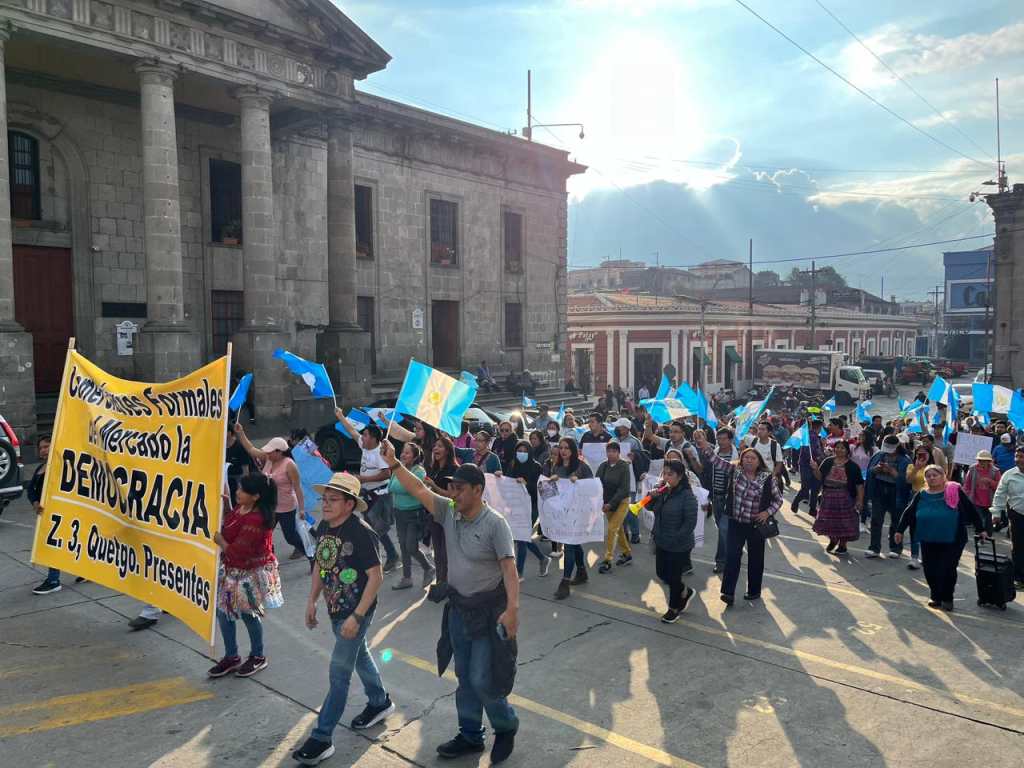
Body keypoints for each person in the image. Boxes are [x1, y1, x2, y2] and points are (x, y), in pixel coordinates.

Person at [380, 441, 520, 764]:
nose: (453, 493)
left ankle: (506, 725)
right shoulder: (448, 512)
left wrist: (512, 610)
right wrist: (394, 464)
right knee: (465, 676)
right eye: (452, 487)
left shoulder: (495, 524)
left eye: (459, 488)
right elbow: (417, 489)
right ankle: (470, 735)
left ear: (478, 490)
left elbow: (509, 570)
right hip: (458, 611)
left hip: (489, 614)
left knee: (484, 678)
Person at [292, 473, 395, 765]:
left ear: (350, 504)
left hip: (357, 610)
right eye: (324, 499)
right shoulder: (326, 525)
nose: (325, 504)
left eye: (333, 499)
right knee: (359, 656)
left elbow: (376, 577)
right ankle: (380, 702)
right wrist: (312, 600)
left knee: (339, 675)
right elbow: (320, 566)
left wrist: (357, 616)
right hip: (336, 609)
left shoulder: (360, 532)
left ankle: (322, 738)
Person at [694, 430, 782, 605]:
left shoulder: (767, 478)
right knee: (733, 556)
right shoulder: (735, 470)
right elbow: (717, 461)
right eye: (746, 457)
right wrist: (704, 445)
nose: (749, 460)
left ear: (759, 462)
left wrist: (767, 513)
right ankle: (728, 593)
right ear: (741, 460)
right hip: (736, 523)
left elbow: (778, 500)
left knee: (756, 559)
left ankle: (754, 591)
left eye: (753, 458)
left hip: (756, 525)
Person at [209, 472, 283, 679]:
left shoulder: (257, 519)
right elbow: (231, 526)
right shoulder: (241, 509)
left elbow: (237, 551)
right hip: (232, 570)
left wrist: (220, 541)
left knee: (249, 615)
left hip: (249, 574)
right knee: (223, 613)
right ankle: (232, 656)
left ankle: (257, 656)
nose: (237, 491)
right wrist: (225, 508)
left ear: (256, 496)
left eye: (242, 490)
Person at [894, 465, 989, 611]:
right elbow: (909, 512)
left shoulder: (954, 490)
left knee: (947, 568)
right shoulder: (921, 494)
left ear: (943, 475)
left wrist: (981, 529)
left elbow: (970, 508)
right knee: (930, 568)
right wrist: (899, 531)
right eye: (928, 476)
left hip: (953, 538)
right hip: (928, 537)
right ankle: (935, 595)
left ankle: (947, 597)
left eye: (935, 475)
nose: (932, 478)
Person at [335, 409, 399, 573]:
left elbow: (386, 473)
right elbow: (351, 430)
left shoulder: (380, 454)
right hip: (366, 493)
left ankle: (392, 556)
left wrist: (364, 479)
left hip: (380, 495)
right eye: (363, 435)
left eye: (365, 435)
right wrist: (341, 416)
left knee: (377, 528)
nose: (362, 437)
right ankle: (377, 557)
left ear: (374, 438)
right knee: (369, 526)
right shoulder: (364, 446)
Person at [233, 425, 308, 562]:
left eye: (270, 451)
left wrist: (302, 509)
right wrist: (241, 432)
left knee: (290, 536)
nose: (267, 453)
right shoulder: (268, 458)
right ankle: (267, 558)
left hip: (286, 507)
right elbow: (251, 449)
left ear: (279, 452)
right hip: (269, 506)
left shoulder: (289, 465)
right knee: (262, 533)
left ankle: (310, 556)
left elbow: (297, 488)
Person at [649, 459, 699, 623]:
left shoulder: (687, 496)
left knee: (673, 577)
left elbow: (690, 523)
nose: (666, 477)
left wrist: (676, 537)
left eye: (670, 474)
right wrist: (651, 497)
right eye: (665, 473)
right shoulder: (663, 491)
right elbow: (649, 508)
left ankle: (673, 609)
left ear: (680, 476)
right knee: (662, 573)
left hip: (679, 545)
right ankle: (685, 591)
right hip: (661, 540)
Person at [548, 437, 595, 600]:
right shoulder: (557, 467)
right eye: (561, 448)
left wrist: (579, 483)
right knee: (574, 543)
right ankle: (581, 571)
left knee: (569, 544)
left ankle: (565, 582)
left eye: (566, 448)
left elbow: (593, 488)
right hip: (564, 512)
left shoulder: (582, 467)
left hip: (579, 512)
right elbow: (550, 493)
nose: (563, 451)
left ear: (573, 450)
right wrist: (551, 482)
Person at [388, 443, 435, 590]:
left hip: (414, 514)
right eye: (403, 452)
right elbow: (391, 487)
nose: (403, 455)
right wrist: (401, 485)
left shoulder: (419, 471)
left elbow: (405, 488)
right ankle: (406, 578)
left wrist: (401, 486)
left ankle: (428, 568)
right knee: (403, 546)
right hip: (399, 512)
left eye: (407, 453)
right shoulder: (398, 468)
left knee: (410, 546)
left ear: (415, 457)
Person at [501, 440, 551, 578]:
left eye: (524, 451)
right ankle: (543, 559)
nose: (521, 453)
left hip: (531, 506)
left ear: (529, 452)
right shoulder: (512, 465)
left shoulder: (536, 466)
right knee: (521, 537)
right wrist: (500, 478)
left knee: (522, 538)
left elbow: (542, 489)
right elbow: (507, 483)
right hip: (515, 505)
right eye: (519, 450)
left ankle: (519, 573)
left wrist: (526, 484)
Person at [424, 435, 460, 602]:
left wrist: (434, 487)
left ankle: (449, 583)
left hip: (449, 515)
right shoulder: (433, 468)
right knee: (438, 553)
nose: (435, 449)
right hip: (434, 514)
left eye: (439, 446)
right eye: (434, 446)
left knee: (447, 552)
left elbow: (453, 495)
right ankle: (440, 582)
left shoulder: (453, 470)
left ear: (447, 450)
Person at [812, 441, 864, 556]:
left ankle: (843, 544)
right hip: (828, 496)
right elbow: (820, 477)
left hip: (845, 497)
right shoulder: (828, 461)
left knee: (844, 522)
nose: (839, 450)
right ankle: (833, 539)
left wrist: (860, 500)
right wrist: (815, 469)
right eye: (837, 447)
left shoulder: (853, 466)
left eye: (842, 448)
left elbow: (859, 484)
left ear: (847, 451)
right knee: (829, 520)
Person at [864, 435, 911, 559]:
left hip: (896, 491)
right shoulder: (878, 456)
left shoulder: (905, 460)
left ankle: (895, 548)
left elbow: (907, 480)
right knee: (876, 520)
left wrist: (892, 471)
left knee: (896, 521)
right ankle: (874, 548)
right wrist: (876, 469)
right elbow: (869, 472)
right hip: (879, 489)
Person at [30, 435, 62, 595]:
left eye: (46, 446)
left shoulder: (59, 466)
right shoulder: (40, 468)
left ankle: (53, 580)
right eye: (41, 447)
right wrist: (36, 503)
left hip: (59, 515)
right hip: (45, 516)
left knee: (54, 547)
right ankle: (86, 573)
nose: (43, 450)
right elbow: (30, 490)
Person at [704, 427, 738, 574]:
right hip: (716, 497)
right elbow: (706, 475)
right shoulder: (716, 452)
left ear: (730, 440)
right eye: (719, 438)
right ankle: (735, 549)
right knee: (723, 529)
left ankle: (721, 561)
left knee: (723, 530)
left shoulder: (737, 456)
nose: (721, 441)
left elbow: (727, 469)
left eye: (724, 438)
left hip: (728, 499)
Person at [595, 441, 633, 574]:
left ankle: (607, 560)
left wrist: (611, 503)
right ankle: (627, 554)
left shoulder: (623, 466)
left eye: (613, 451)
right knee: (619, 529)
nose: (611, 454)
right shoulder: (603, 466)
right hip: (607, 503)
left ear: (618, 452)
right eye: (608, 451)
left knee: (612, 528)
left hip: (621, 501)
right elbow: (597, 484)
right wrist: (600, 502)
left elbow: (624, 489)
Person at [989, 445, 1024, 588]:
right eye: (1017, 456)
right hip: (1016, 515)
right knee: (1018, 547)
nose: (1018, 459)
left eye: (1022, 456)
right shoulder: (1009, 475)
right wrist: (996, 513)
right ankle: (1019, 578)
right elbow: (1000, 494)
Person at [792, 416, 825, 516]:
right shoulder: (810, 437)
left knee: (815, 487)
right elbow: (808, 451)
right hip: (806, 465)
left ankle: (812, 508)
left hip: (815, 465)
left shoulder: (816, 437)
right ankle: (795, 502)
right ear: (818, 427)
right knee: (806, 487)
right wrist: (819, 457)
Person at [963, 451, 1001, 533]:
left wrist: (990, 481)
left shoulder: (995, 471)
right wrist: (968, 496)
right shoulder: (972, 469)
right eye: (980, 460)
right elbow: (967, 484)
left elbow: (999, 487)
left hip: (990, 501)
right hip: (976, 500)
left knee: (988, 522)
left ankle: (988, 537)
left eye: (984, 460)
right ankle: (979, 537)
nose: (981, 462)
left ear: (989, 461)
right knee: (978, 521)